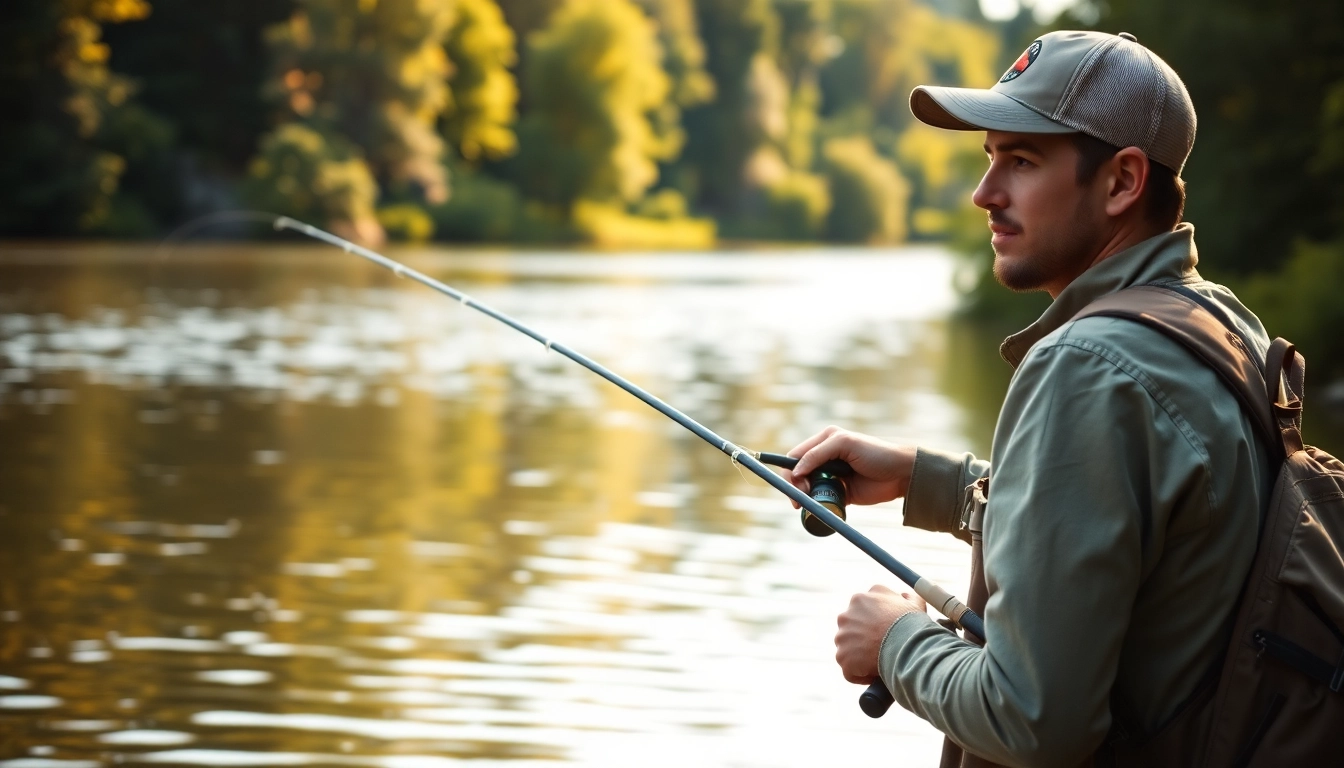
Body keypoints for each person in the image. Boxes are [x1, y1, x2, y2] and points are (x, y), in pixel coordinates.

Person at [786, 30, 1274, 768]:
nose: (984, 194)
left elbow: (1033, 719)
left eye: (1022, 161)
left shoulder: (1087, 367)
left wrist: (894, 643)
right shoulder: (1220, 322)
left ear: (1121, 182)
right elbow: (1145, 529)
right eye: (989, 159)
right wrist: (934, 482)